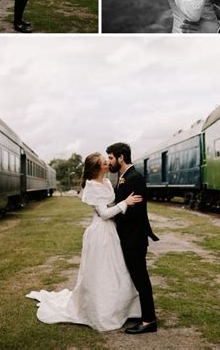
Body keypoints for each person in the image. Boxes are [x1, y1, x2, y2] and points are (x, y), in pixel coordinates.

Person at [26, 153, 144, 332]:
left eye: (107, 161)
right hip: (100, 233)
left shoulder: (106, 182)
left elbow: (111, 206)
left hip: (112, 231)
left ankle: (126, 309)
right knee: (102, 272)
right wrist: (125, 203)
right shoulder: (92, 186)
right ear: (97, 169)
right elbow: (104, 214)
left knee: (118, 270)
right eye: (104, 163)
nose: (108, 164)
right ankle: (102, 312)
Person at [106, 142, 159, 335]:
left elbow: (133, 214)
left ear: (121, 157)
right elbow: (124, 206)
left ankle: (148, 321)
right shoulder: (123, 177)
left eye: (111, 157)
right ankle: (142, 315)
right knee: (135, 277)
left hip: (134, 238)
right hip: (127, 237)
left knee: (141, 278)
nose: (108, 161)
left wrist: (111, 212)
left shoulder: (135, 178)